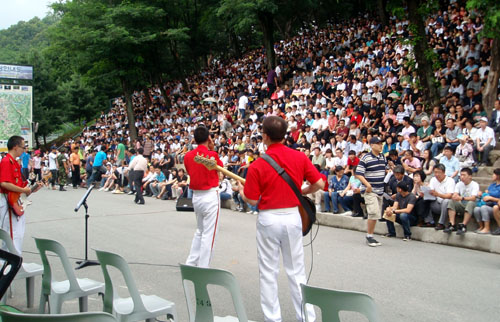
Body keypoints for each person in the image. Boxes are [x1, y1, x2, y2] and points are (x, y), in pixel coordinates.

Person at [238, 116, 324, 322]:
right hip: (292, 216)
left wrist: (241, 191)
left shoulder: (258, 164)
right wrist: (302, 191)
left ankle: (273, 319)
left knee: (268, 272)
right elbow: (319, 183)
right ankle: (307, 318)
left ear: (265, 137)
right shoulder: (299, 157)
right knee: (297, 271)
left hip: (268, 218)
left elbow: (251, 199)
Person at [183, 126, 223, 268]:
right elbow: (221, 172)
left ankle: (191, 262)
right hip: (210, 195)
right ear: (208, 138)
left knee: (200, 231)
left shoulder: (187, 156)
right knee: (209, 234)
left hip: (196, 196)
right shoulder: (213, 155)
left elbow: (190, 171)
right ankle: (203, 267)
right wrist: (211, 149)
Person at [0, 136, 33, 253]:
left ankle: (10, 261)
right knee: (12, 233)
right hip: (7, 201)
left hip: (15, 201)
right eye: (23, 147)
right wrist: (23, 190)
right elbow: (4, 183)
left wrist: (30, 189)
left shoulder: (14, 163)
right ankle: (11, 262)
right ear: (15, 147)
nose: (24, 150)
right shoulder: (6, 161)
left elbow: (20, 185)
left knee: (17, 232)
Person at [355, 136, 387, 247]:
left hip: (380, 190)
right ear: (372, 145)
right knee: (373, 212)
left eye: (381, 143)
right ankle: (369, 236)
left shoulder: (383, 157)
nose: (380, 145)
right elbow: (358, 173)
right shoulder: (366, 158)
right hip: (370, 190)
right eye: (378, 143)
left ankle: (371, 234)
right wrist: (367, 185)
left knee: (376, 214)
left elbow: (383, 170)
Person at [444, 168, 479, 234]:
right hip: (461, 204)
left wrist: (462, 198)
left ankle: (463, 225)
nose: (462, 177)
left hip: (471, 205)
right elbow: (455, 194)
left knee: (471, 203)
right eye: (461, 175)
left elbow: (473, 198)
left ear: (470, 176)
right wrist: (455, 196)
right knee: (451, 201)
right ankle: (452, 224)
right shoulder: (459, 184)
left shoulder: (475, 185)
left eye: (464, 175)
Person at [429, 164, 456, 230]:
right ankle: (429, 221)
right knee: (425, 200)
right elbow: (431, 190)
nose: (437, 174)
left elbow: (449, 195)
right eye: (435, 172)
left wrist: (438, 194)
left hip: (446, 204)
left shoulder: (450, 181)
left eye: (439, 172)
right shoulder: (433, 179)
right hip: (436, 202)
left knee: (446, 201)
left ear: (444, 172)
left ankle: (441, 223)